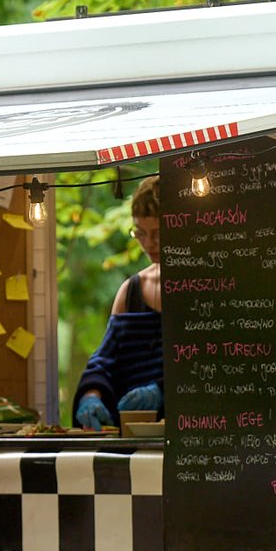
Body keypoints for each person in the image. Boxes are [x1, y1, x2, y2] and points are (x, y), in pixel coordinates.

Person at [73, 175, 164, 429]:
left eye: (158, 233)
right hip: (132, 434)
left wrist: (164, 389)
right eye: (140, 233)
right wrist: (91, 395)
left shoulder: (210, 290)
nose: (149, 244)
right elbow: (105, 361)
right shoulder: (131, 291)